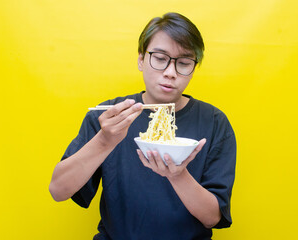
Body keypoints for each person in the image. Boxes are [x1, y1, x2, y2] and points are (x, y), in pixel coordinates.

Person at [49, 12, 236, 240]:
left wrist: (178, 175)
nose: (170, 72)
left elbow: (213, 218)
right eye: (159, 58)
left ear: (193, 68)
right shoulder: (111, 117)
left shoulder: (214, 122)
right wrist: (104, 141)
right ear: (141, 59)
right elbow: (58, 190)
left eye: (184, 63)